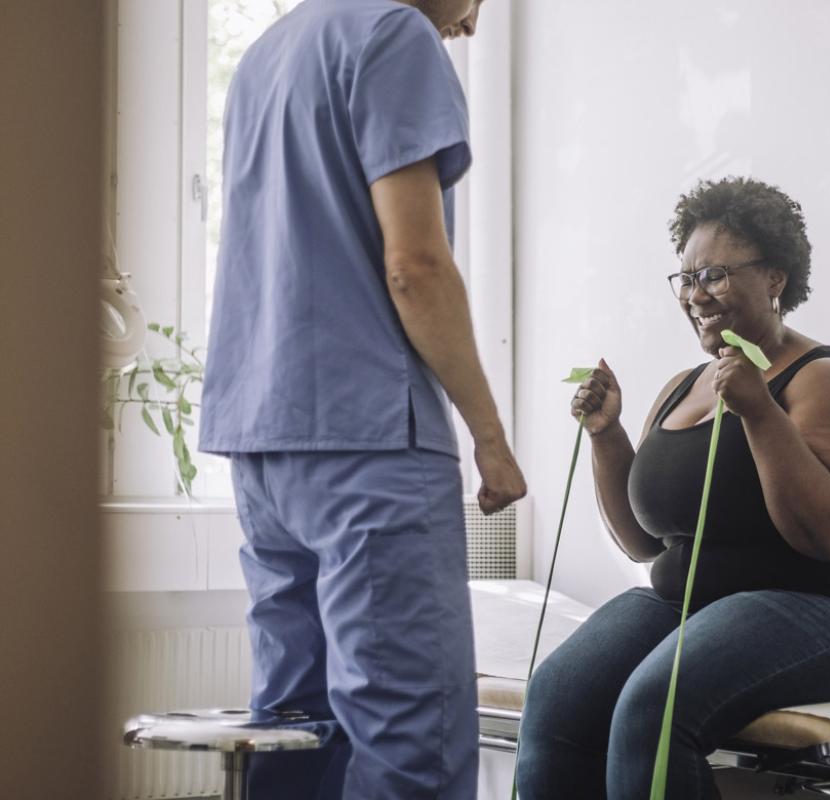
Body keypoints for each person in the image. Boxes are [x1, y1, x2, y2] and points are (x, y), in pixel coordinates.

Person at [198, 1, 524, 798]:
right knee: (411, 741)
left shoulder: (266, 54)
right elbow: (415, 264)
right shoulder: (393, 33)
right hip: (369, 439)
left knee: (293, 731)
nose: (473, 22)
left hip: (263, 438)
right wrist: (488, 433)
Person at [515, 176, 830, 800]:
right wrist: (608, 435)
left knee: (653, 706)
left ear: (774, 278)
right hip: (685, 604)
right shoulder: (681, 387)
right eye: (687, 279)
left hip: (824, 609)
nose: (696, 295)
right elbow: (643, 544)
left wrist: (760, 413)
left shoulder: (823, 379)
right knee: (557, 697)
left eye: (715, 275)